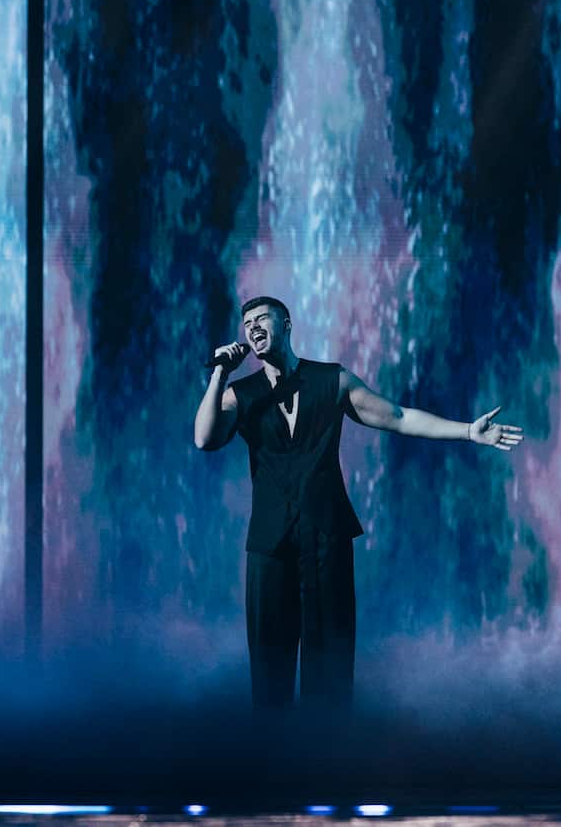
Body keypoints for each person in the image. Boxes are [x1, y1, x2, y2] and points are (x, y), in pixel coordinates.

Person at [193, 296, 524, 708]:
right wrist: (220, 372)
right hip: (269, 547)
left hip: (327, 541)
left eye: (262, 319)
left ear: (287, 323)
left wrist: (468, 432)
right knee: (270, 670)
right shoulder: (241, 394)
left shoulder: (332, 380)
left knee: (330, 670)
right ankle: (271, 762)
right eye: (246, 324)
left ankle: (329, 762)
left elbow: (398, 417)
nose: (254, 328)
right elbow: (205, 438)